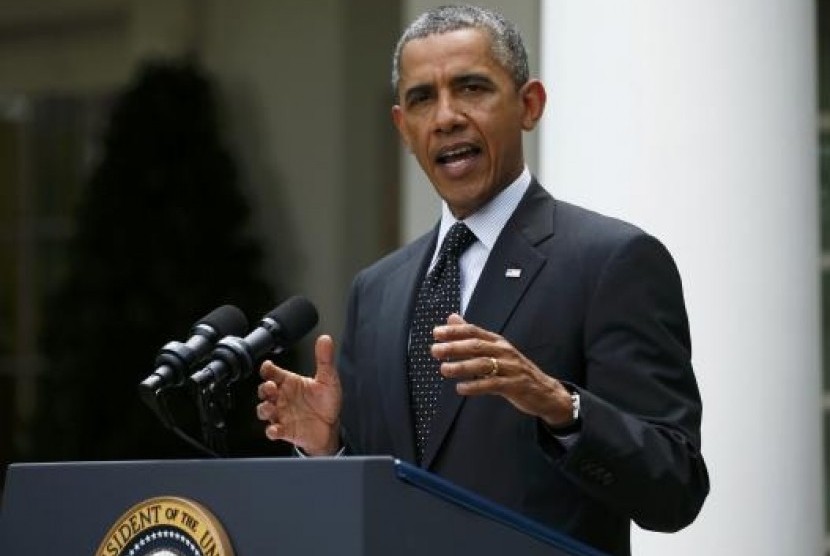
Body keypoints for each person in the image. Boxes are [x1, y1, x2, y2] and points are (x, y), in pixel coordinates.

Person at [256, 5, 709, 555]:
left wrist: (559, 406)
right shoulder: (377, 290)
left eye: (471, 88)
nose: (446, 117)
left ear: (529, 104)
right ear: (403, 126)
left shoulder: (612, 261)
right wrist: (326, 451)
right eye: (423, 98)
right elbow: (388, 496)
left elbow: (675, 488)